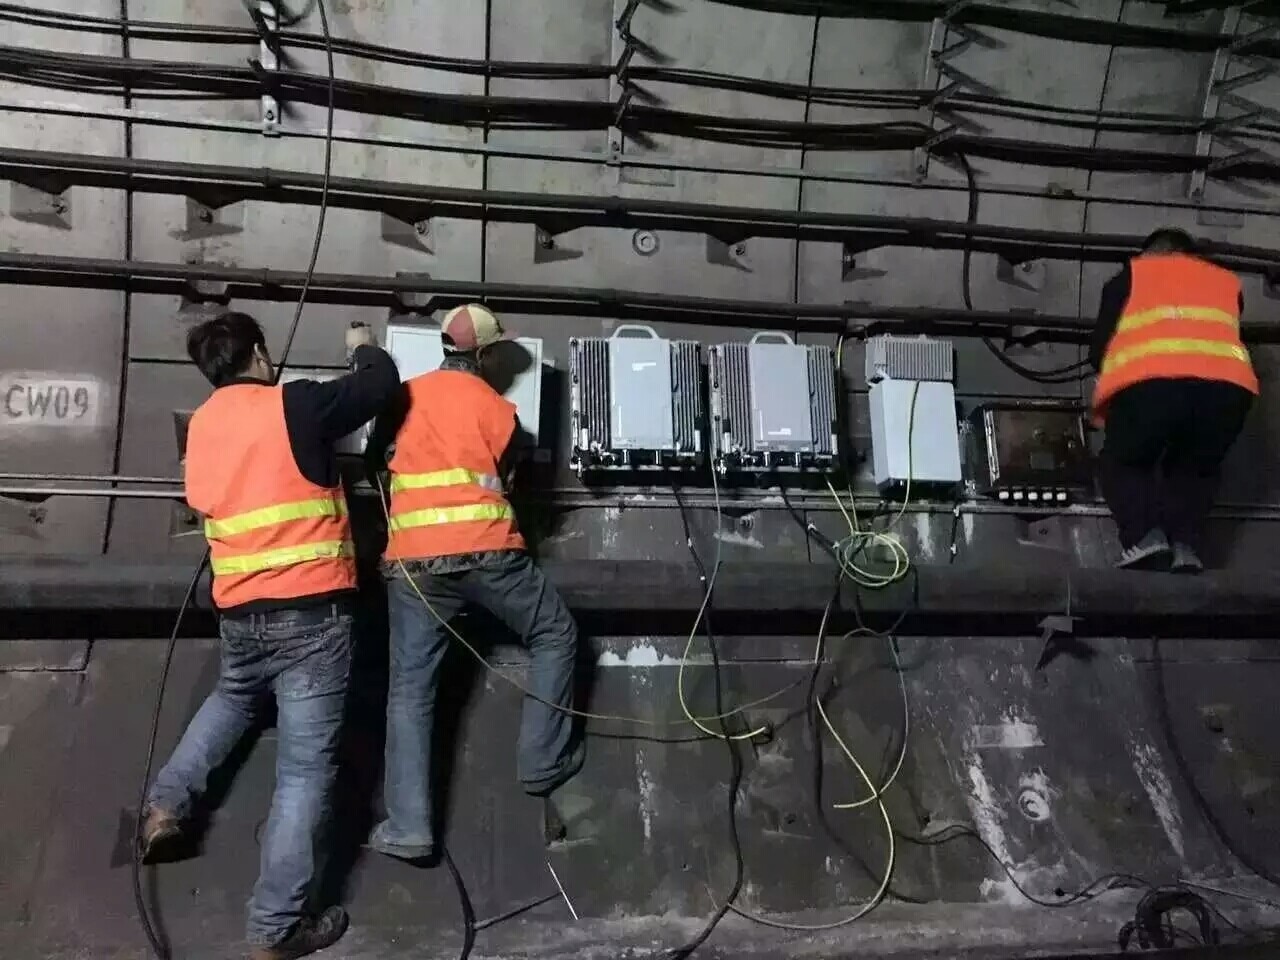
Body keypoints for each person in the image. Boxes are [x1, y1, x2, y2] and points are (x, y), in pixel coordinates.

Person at [139, 311, 399, 960]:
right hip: (311, 616)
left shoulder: (201, 426)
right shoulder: (296, 403)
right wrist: (363, 347)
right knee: (305, 774)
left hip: (239, 612)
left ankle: (165, 806)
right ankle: (276, 929)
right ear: (259, 354)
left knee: (232, 701)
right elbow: (379, 387)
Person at [365, 303, 583, 862]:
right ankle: (541, 762)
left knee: (410, 690)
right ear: (484, 355)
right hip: (488, 554)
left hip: (413, 564)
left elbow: (375, 465)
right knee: (555, 634)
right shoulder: (500, 411)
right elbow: (511, 480)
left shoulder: (401, 397)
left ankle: (410, 827)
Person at [1090, 228, 1258, 572]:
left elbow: (1099, 351)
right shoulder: (1226, 283)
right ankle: (1185, 547)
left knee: (1123, 462)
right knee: (1196, 469)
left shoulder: (1131, 276)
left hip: (1154, 382)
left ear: (1151, 252)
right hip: (1228, 390)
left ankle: (1144, 538)